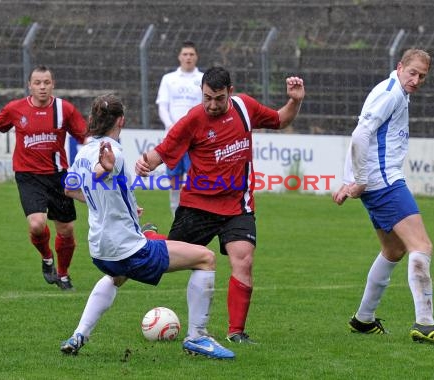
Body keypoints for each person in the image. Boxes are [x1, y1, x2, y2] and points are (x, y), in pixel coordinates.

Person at [135, 66, 305, 344]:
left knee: (244, 260)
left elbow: (280, 120)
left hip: (238, 205)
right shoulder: (193, 119)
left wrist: (294, 101)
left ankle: (236, 332)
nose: (212, 105)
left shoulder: (244, 108)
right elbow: (164, 150)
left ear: (231, 92)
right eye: (207, 98)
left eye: (219, 98)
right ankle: (150, 238)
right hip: (198, 206)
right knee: (163, 262)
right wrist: (146, 164)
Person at [60, 94, 234, 359]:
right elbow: (101, 170)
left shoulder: (83, 150)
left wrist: (119, 203)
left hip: (100, 250)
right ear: (121, 121)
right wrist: (102, 170)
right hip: (128, 248)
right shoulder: (113, 152)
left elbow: (70, 188)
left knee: (116, 277)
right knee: (206, 258)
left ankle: (78, 335)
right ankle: (197, 337)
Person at [332, 48, 434, 345]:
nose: (416, 79)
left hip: (376, 182)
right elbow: (360, 135)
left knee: (393, 251)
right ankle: (424, 323)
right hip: (385, 182)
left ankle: (363, 319)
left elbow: (363, 134)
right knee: (422, 246)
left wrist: (351, 181)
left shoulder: (396, 91)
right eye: (412, 72)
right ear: (400, 67)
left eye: (422, 76)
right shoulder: (391, 93)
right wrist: (358, 181)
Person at [0, 65, 87, 291]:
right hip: (28, 176)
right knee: (36, 224)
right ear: (29, 86)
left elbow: (86, 137)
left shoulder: (65, 109)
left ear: (53, 84)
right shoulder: (16, 109)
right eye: (37, 83)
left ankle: (63, 274)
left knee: (66, 231)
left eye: (46, 82)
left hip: (58, 176)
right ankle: (46, 257)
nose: (42, 87)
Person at [156, 41, 204, 217]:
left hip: (196, 140)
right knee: (174, 179)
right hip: (174, 138)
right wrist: (171, 126)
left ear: (196, 56)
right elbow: (163, 106)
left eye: (191, 54)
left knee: (194, 179)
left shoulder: (203, 79)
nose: (188, 57)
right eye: (185, 54)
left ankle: (194, 213)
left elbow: (206, 107)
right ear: (179, 56)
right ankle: (176, 213)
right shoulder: (169, 79)